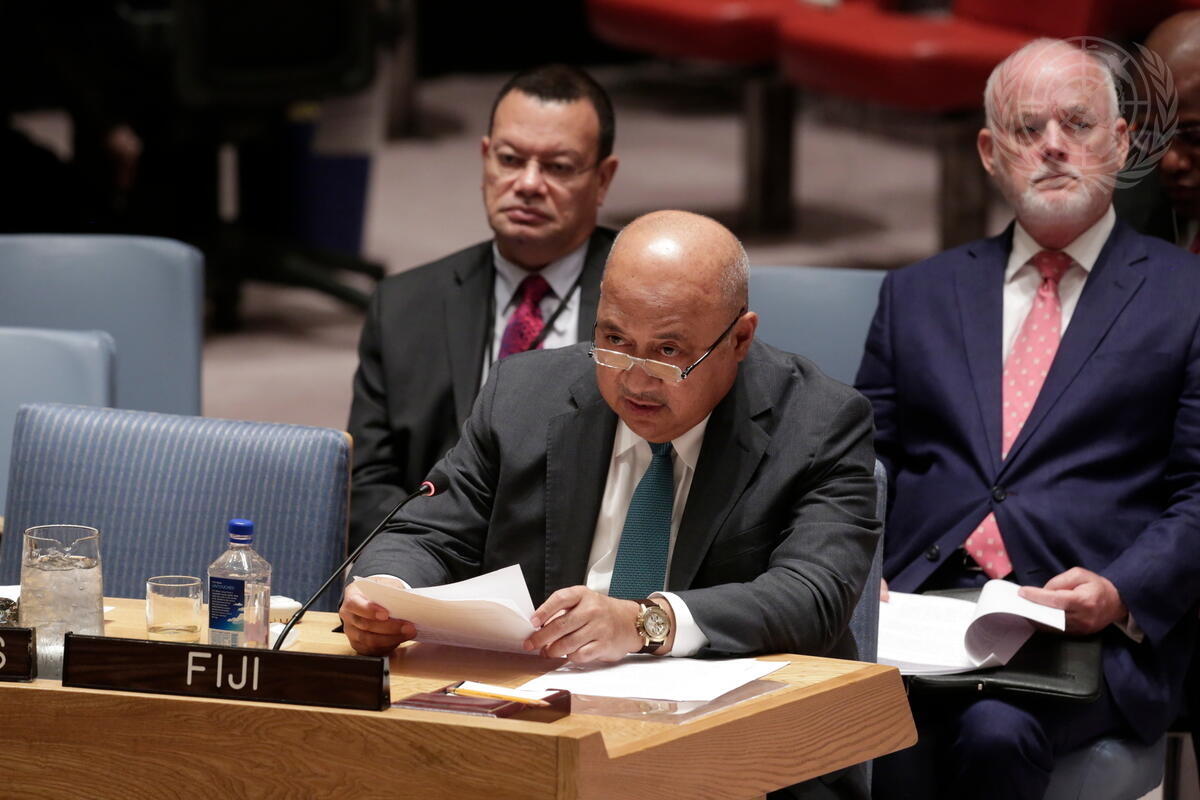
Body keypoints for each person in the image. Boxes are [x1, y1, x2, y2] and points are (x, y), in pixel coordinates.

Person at [342, 210, 881, 800]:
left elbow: (813, 594)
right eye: (614, 341)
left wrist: (644, 621)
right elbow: (426, 531)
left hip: (737, 747)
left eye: (668, 351)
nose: (635, 380)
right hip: (538, 728)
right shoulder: (523, 395)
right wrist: (386, 594)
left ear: (740, 339)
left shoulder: (819, 423)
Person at [857, 38, 1200, 799]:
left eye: (1077, 124)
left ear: (1121, 142)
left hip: (1084, 627)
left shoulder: (1187, 296)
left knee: (995, 730)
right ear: (990, 152)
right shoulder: (917, 294)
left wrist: (1120, 590)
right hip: (918, 611)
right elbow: (860, 466)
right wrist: (860, 570)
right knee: (846, 722)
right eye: (1026, 128)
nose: (1052, 146)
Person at [346, 64, 620, 551]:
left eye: (558, 167)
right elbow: (368, 482)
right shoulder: (404, 306)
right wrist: (425, 558)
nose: (528, 183)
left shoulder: (645, 301)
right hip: (436, 565)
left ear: (602, 179)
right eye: (510, 159)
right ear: (485, 158)